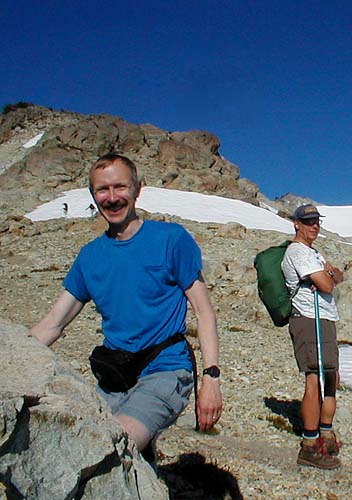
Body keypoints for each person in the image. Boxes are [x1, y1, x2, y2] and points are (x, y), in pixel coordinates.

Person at [31, 153, 222, 464]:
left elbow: (204, 312)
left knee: (110, 447)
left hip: (166, 369)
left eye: (120, 187)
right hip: (115, 376)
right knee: (81, 444)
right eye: (102, 190)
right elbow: (54, 322)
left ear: (137, 189)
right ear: (93, 195)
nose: (112, 197)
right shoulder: (90, 257)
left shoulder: (171, 240)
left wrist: (211, 379)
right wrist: (11, 360)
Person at [281, 204, 344, 469]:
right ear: (296, 223)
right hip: (309, 319)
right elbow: (329, 282)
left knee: (329, 376)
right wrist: (329, 275)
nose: (314, 226)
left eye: (316, 221)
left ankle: (325, 434)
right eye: (308, 222)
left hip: (324, 317)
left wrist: (329, 274)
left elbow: (337, 275)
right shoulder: (297, 251)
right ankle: (309, 444)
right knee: (314, 377)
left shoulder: (312, 253)